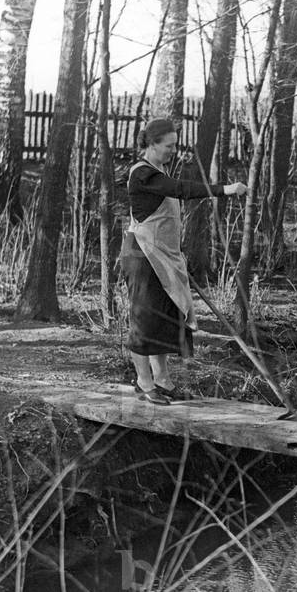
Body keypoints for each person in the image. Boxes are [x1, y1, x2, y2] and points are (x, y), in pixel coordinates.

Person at [122, 118, 247, 404]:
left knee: (165, 318)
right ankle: (144, 383)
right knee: (144, 320)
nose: (173, 150)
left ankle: (162, 380)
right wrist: (224, 190)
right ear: (151, 144)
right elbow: (180, 189)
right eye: (169, 145)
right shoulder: (144, 174)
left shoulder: (159, 169)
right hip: (142, 256)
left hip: (163, 256)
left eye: (175, 145)